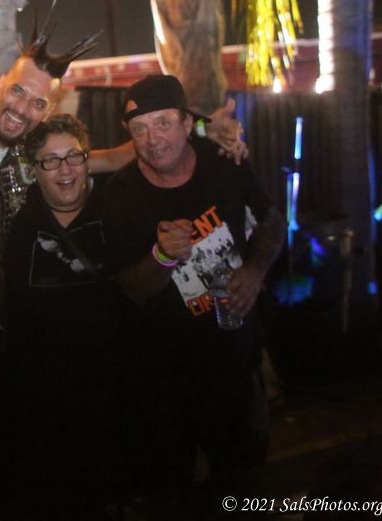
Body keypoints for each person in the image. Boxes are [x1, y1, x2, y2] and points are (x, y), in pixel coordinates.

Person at [0, 0, 248, 517]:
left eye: (38, 102)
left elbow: (120, 155)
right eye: (17, 91)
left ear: (50, 109)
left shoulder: (31, 162)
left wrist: (203, 131)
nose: (22, 107)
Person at [101, 74, 287, 492]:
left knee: (245, 487)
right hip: (161, 380)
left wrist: (255, 271)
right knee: (166, 496)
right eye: (139, 128)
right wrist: (163, 256)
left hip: (234, 369)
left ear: (188, 123)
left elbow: (272, 221)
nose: (153, 139)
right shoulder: (122, 192)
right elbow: (131, 288)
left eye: (163, 123)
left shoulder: (224, 162)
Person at [0, 114, 132, 519]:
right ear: (34, 169)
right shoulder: (15, 221)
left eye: (73, 157)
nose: (65, 169)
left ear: (87, 160)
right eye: (51, 160)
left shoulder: (117, 208)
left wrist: (212, 134)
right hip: (35, 400)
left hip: (105, 395)